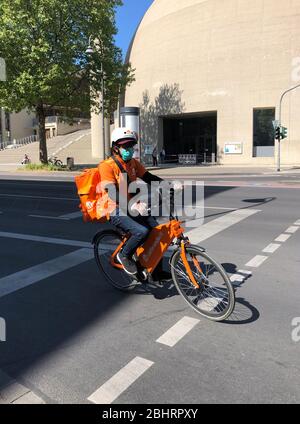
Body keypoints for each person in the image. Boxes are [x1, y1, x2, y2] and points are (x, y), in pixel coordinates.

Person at [98, 127, 172, 279]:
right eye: (125, 146)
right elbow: (111, 191)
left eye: (131, 146)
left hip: (132, 205)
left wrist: (169, 185)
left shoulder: (133, 163)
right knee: (141, 231)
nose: (129, 149)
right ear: (115, 148)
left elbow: (148, 177)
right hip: (115, 208)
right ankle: (123, 255)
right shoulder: (106, 166)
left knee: (156, 231)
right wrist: (132, 205)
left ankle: (155, 271)